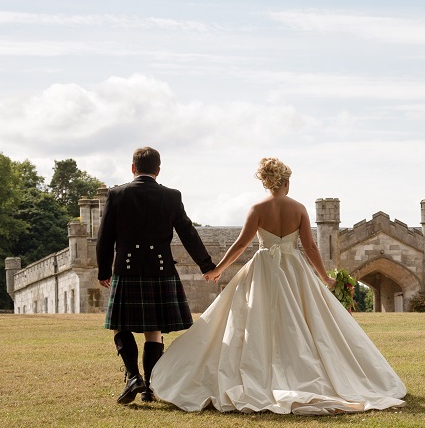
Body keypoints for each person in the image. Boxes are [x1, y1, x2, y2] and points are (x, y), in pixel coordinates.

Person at [150, 158, 406, 414]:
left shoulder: (258, 209)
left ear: (267, 182)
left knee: (254, 319)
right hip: (295, 269)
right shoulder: (299, 209)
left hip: (263, 269)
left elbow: (241, 244)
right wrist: (324, 278)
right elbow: (310, 247)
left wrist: (218, 270)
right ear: (285, 182)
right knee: (307, 321)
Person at [95, 147, 216, 405]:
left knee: (121, 325)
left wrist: (103, 270)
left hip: (126, 269)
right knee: (154, 329)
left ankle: (132, 376)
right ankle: (150, 386)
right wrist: (206, 265)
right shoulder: (171, 196)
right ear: (158, 170)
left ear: (132, 168)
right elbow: (188, 233)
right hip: (160, 269)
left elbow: (105, 236)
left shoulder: (117, 194)